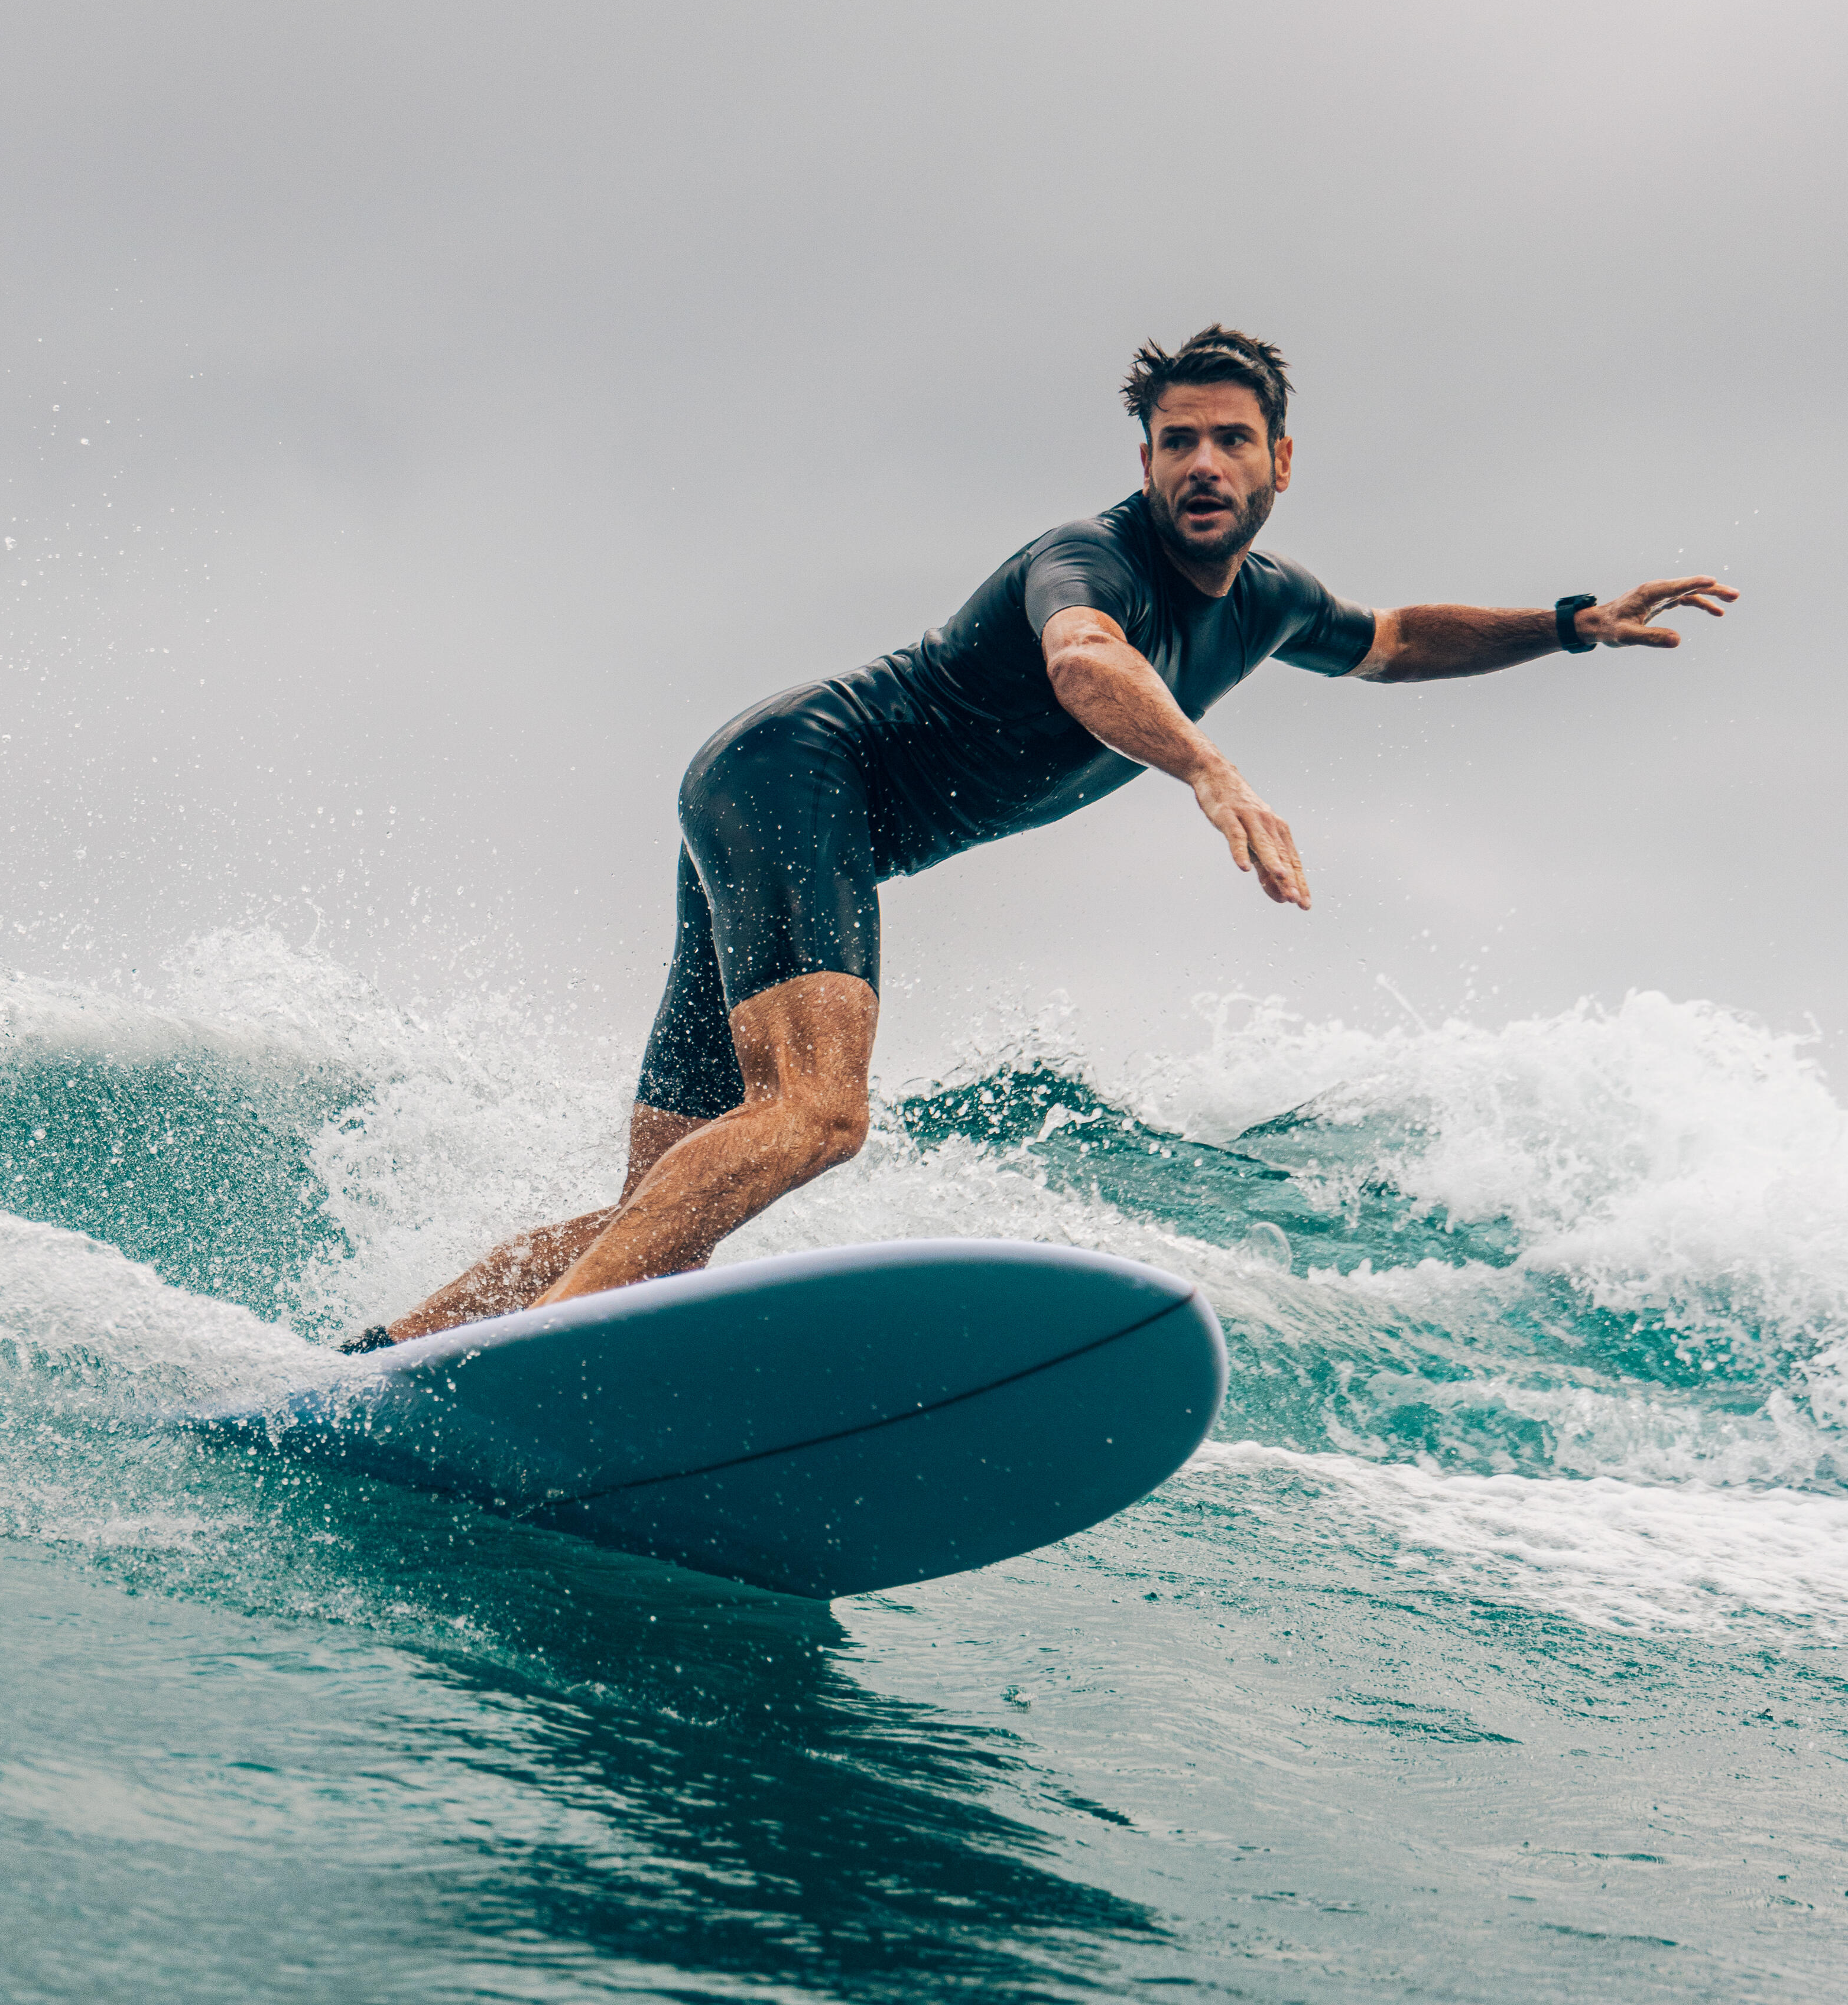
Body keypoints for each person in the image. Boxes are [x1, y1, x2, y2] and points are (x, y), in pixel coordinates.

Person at [343, 324, 1736, 1351]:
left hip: (770, 808)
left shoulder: (1271, 602)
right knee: (819, 1116)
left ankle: (390, 1356)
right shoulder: (1091, 559)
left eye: (1229, 439)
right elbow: (1084, 661)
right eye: (1177, 441)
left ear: (1279, 462)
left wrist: (1569, 625)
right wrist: (1206, 767)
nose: (1202, 464)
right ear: (1146, 460)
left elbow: (1395, 640)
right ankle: (515, 1368)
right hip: (794, 778)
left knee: (665, 1214)